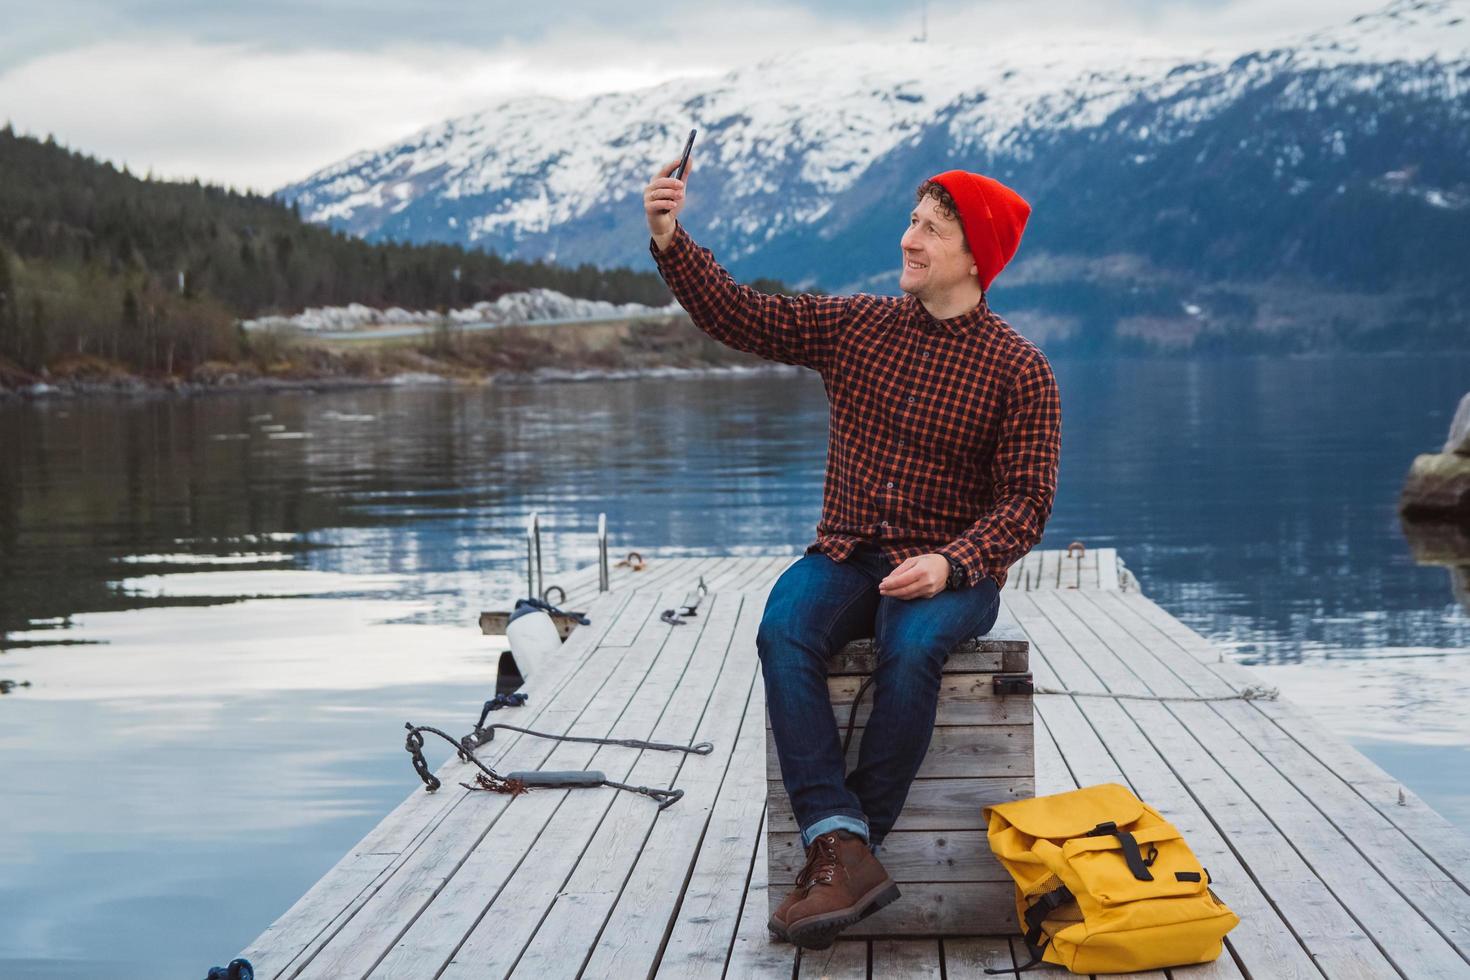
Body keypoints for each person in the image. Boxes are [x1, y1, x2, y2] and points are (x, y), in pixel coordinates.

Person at [643, 155, 1061, 950]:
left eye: (930, 230)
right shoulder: (860, 327)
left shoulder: (1020, 369)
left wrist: (952, 562)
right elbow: (742, 315)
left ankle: (844, 848)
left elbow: (1027, 505)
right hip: (847, 553)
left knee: (911, 650)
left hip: (950, 572)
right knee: (782, 628)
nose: (909, 240)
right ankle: (842, 846)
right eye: (911, 223)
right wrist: (669, 238)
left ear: (977, 256)